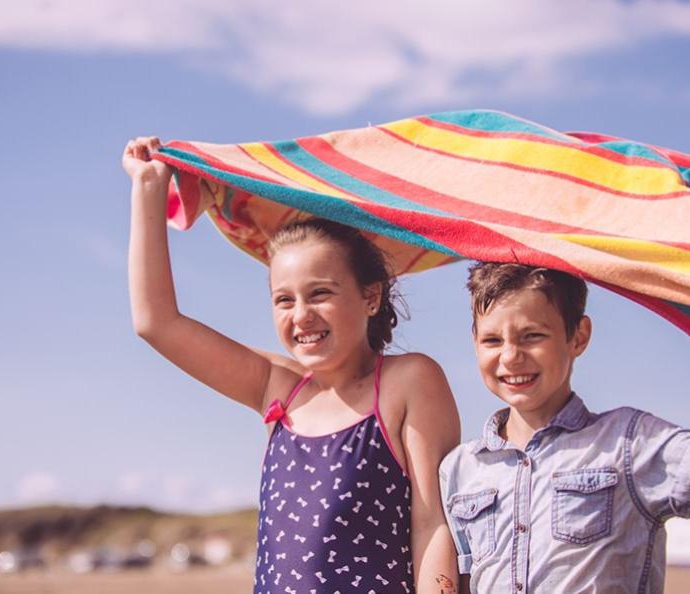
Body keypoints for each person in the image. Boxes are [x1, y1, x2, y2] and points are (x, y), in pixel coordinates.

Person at [124, 136, 461, 593]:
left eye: (320, 293)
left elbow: (432, 525)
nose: (301, 315)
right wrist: (147, 186)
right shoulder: (279, 388)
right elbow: (156, 322)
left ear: (370, 296)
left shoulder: (408, 382)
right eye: (284, 300)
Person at [439, 263, 690, 593]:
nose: (511, 356)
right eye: (492, 340)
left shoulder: (631, 442)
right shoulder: (460, 468)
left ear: (579, 336)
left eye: (532, 336)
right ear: (474, 341)